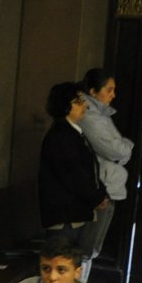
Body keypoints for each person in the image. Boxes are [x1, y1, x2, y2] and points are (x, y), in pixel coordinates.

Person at [37, 81, 107, 270]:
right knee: (61, 268)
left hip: (72, 213)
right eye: (79, 101)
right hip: (64, 215)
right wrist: (96, 196)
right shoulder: (61, 136)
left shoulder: (72, 133)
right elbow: (73, 174)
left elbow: (86, 170)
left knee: (71, 267)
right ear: (65, 105)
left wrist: (99, 192)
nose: (84, 105)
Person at [77, 68, 134, 276]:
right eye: (109, 90)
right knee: (85, 248)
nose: (113, 95)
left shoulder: (101, 113)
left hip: (107, 184)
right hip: (99, 185)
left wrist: (121, 149)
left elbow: (118, 151)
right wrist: (125, 146)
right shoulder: (90, 116)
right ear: (93, 91)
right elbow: (115, 149)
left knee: (91, 248)